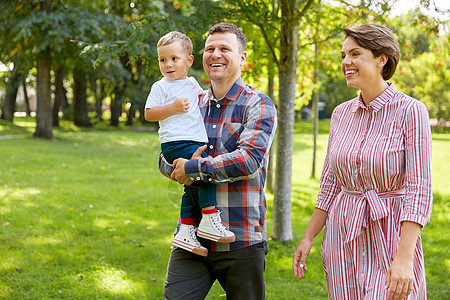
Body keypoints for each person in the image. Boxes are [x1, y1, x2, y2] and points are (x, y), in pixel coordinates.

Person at [293, 24, 432, 300]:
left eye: (355, 54)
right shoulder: (340, 114)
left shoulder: (411, 111)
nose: (346, 62)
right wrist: (308, 237)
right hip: (342, 234)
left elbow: (419, 191)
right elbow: (330, 184)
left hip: (391, 232)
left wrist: (404, 259)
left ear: (382, 59)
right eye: (343, 55)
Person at [158, 23, 277, 299]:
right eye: (210, 48)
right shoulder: (191, 102)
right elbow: (166, 155)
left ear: (242, 58)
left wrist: (192, 168)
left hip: (241, 237)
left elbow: (249, 160)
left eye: (225, 48)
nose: (216, 54)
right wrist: (175, 167)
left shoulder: (258, 105)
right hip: (192, 237)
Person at [145, 31, 235, 258]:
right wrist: (172, 109)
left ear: (189, 60)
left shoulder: (191, 83)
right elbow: (149, 113)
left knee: (192, 182)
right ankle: (208, 218)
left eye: (174, 59)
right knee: (204, 173)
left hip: (192, 141)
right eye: (162, 60)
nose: (168, 65)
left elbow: (203, 99)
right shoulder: (161, 87)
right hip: (176, 142)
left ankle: (185, 230)